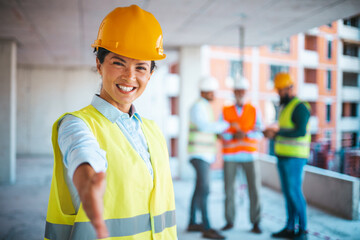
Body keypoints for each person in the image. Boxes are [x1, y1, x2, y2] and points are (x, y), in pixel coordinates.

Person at [44, 5, 177, 240]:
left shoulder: (153, 131)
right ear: (99, 64)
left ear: (150, 74)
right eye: (118, 63)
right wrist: (87, 180)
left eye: (141, 67)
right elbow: (82, 152)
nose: (130, 76)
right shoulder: (76, 124)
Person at [263, 73, 310, 240]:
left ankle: (303, 231)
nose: (280, 93)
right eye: (278, 90)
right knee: (288, 193)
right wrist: (273, 134)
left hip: (295, 158)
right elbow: (284, 131)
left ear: (290, 88)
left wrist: (277, 132)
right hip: (282, 155)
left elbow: (300, 131)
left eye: (282, 90)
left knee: (295, 192)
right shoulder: (284, 107)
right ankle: (290, 227)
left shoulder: (300, 107)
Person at [187, 76, 229, 240]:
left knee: (199, 188)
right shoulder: (198, 107)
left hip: (204, 154)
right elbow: (204, 126)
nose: (214, 95)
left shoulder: (204, 107)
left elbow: (207, 129)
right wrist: (226, 125)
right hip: (199, 154)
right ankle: (206, 226)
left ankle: (192, 222)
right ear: (205, 91)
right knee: (205, 189)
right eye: (212, 92)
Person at [219, 77, 263, 234]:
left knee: (254, 190)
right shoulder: (225, 110)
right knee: (228, 190)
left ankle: (256, 222)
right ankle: (229, 221)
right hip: (230, 156)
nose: (239, 93)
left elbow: (260, 131)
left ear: (246, 92)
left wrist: (246, 134)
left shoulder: (254, 109)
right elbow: (221, 131)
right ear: (234, 92)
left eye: (242, 91)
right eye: (237, 90)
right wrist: (232, 136)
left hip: (249, 155)